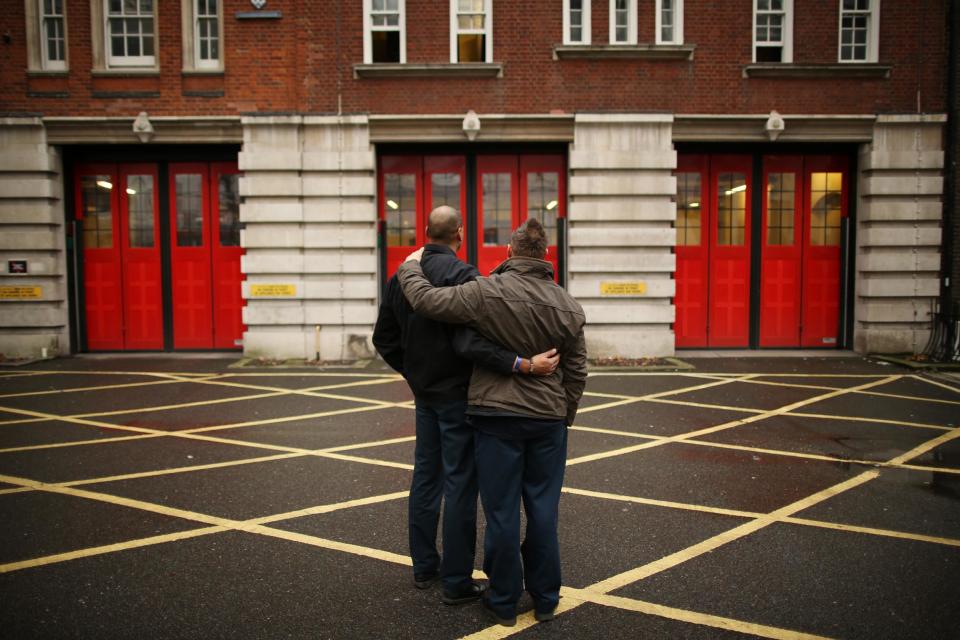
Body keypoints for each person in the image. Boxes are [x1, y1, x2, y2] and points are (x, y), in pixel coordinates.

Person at [395, 217, 587, 626]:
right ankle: (546, 597)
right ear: (546, 256)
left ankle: (502, 603)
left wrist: (410, 267)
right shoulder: (569, 306)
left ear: (510, 253)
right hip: (548, 421)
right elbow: (577, 371)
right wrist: (563, 414)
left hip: (495, 417)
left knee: (500, 513)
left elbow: (428, 302)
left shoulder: (486, 291)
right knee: (543, 511)